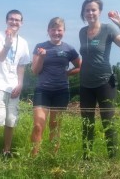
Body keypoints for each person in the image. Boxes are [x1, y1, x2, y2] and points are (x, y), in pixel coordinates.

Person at [79, 0, 120, 159]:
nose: (90, 13)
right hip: (85, 84)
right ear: (84, 12)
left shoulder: (108, 29)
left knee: (108, 122)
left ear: (99, 12)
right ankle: (87, 158)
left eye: (93, 9)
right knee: (87, 123)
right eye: (87, 10)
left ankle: (112, 160)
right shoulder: (82, 32)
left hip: (105, 83)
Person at [30, 17, 81, 156]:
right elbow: (35, 71)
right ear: (48, 31)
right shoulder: (40, 47)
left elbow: (80, 66)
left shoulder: (69, 49)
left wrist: (68, 73)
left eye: (59, 30)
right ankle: (33, 159)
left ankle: (52, 158)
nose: (56, 32)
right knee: (38, 126)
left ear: (64, 31)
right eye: (53, 29)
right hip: (42, 91)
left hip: (61, 91)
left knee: (55, 126)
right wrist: (41, 57)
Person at [0, 9, 30, 162]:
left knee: (11, 120)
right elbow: (1, 57)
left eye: (17, 20)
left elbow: (21, 66)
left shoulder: (23, 43)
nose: (14, 22)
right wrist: (7, 44)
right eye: (11, 19)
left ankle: (6, 151)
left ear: (22, 23)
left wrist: (20, 84)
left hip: (13, 86)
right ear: (6, 21)